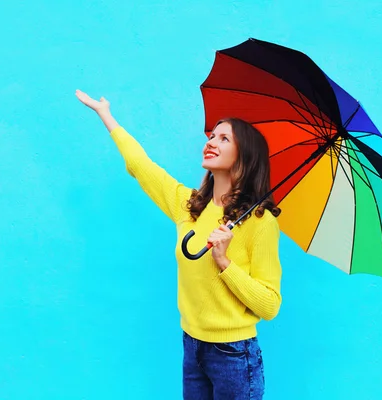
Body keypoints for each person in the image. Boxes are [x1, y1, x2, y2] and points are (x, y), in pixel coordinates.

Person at [76, 89, 282, 399]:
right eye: (211, 136)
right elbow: (141, 166)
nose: (210, 142)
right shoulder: (189, 206)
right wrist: (106, 115)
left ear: (245, 155)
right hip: (192, 346)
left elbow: (270, 305)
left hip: (234, 355)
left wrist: (225, 263)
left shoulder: (260, 222)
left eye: (224, 139)